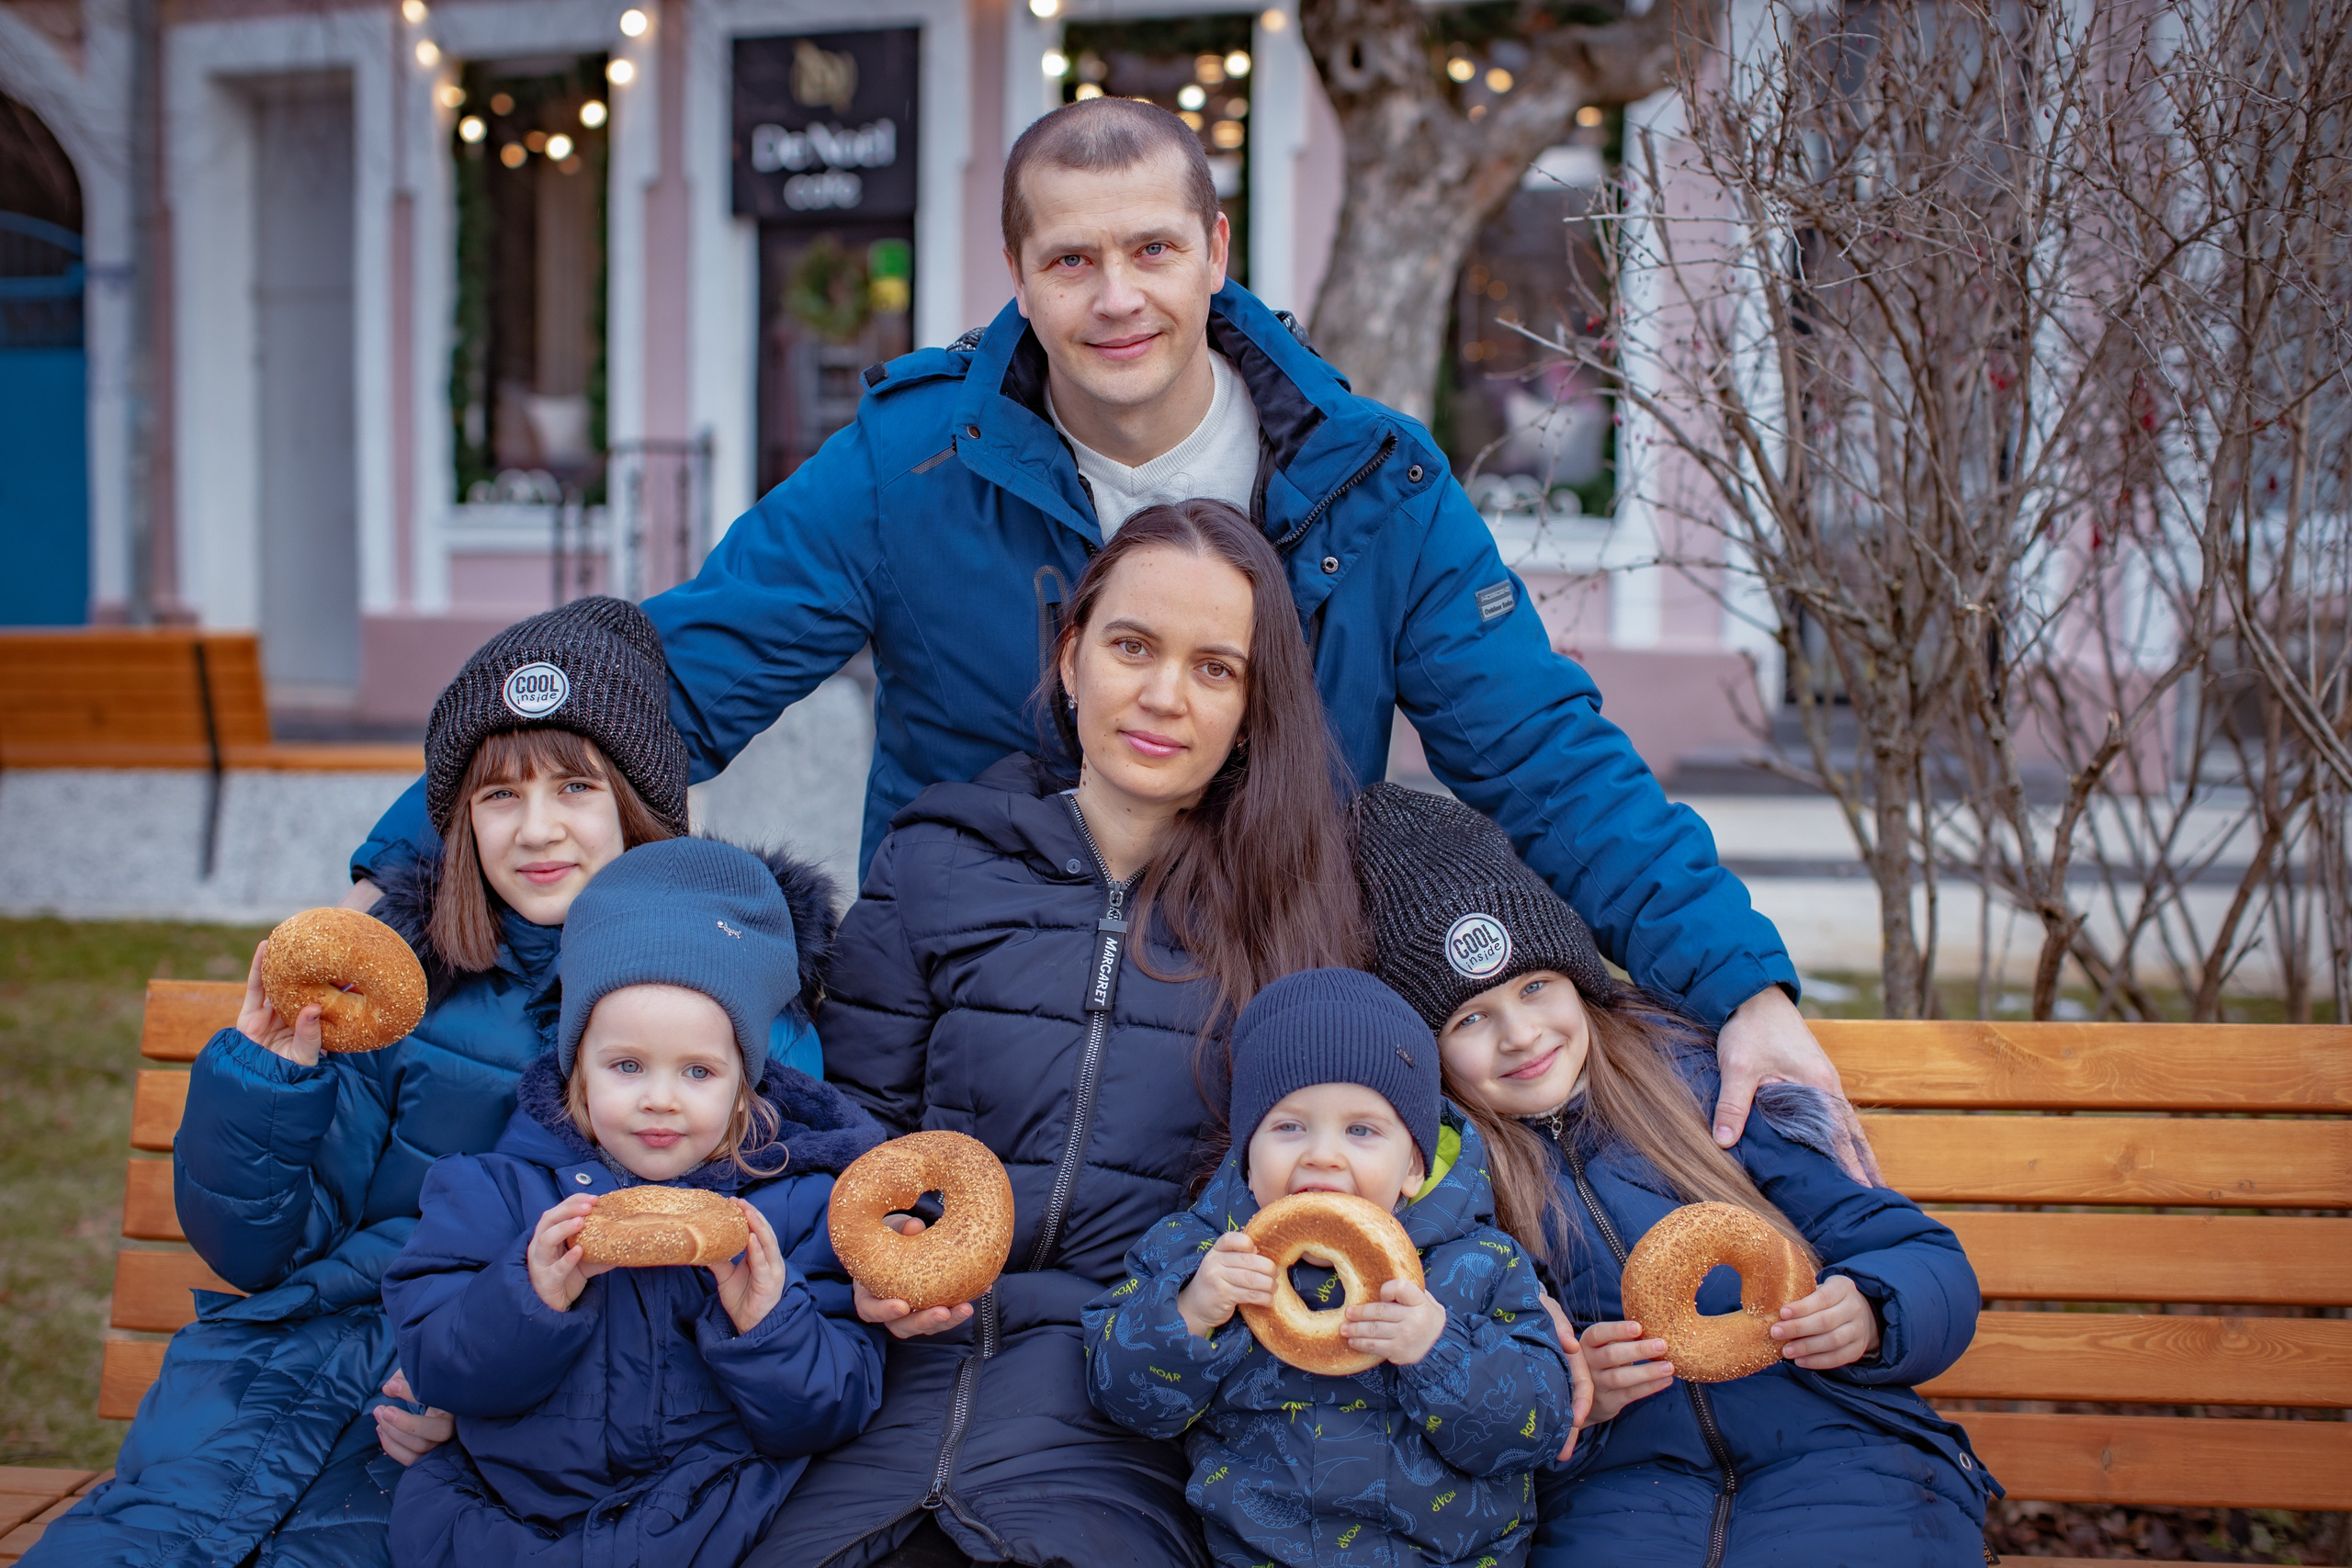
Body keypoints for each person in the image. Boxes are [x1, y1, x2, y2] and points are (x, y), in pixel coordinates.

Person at [347, 96, 1847, 1170]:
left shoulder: (1367, 478)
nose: (1116, 295)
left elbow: (1541, 751)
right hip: (977, 1026)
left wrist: (1747, 988)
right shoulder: (911, 468)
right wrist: (388, 881)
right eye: (1071, 261)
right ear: (1019, 275)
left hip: (1274, 1018)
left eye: (1149, 250)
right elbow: (661, 684)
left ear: (1214, 247)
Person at [27, 596, 740, 1568]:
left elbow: (693, 1300)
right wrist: (264, 1086)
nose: (537, 830)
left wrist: (484, 1397)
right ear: (457, 820)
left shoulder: (713, 1005)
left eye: (574, 787)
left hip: (490, 1435)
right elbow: (258, 1251)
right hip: (271, 1379)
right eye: (499, 795)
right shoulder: (397, 983)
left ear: (636, 802)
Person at [749, 499, 1365, 1568]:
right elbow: (847, 1134)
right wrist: (870, 1272)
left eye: (1215, 669)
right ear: (1072, 656)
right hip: (889, 1376)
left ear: (1253, 708)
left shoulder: (1297, 912)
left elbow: (1367, 1160)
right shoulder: (936, 862)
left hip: (1133, 1393)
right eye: (1132, 646)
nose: (1164, 696)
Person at [1350, 784, 1998, 1566]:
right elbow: (1463, 1384)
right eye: (1470, 1018)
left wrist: (1871, 1310)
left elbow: (1918, 1253)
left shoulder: (1706, 1095)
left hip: (1844, 1456)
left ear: (1579, 981)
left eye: (1534, 987)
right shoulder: (1459, 1187)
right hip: (1615, 1490)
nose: (1521, 1035)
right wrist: (1572, 1391)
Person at [381, 838, 887, 1566]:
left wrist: (767, 1324)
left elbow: (830, 1410)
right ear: (575, 1073)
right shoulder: (492, 1194)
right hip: (504, 1516)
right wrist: (528, 1295)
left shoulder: (799, 1211)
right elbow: (438, 1364)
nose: (659, 1097)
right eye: (625, 1064)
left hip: (714, 1518)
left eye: (698, 1071)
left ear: (744, 1085)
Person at [1082, 967, 1577, 1568]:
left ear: (1414, 1166)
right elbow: (1124, 1399)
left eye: (1362, 1130)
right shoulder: (1196, 1255)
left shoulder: (1481, 1264)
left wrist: (1438, 1349)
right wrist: (1188, 1312)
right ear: (1247, 1151)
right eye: (1289, 1126)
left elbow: (1535, 1431)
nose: (1322, 1153)